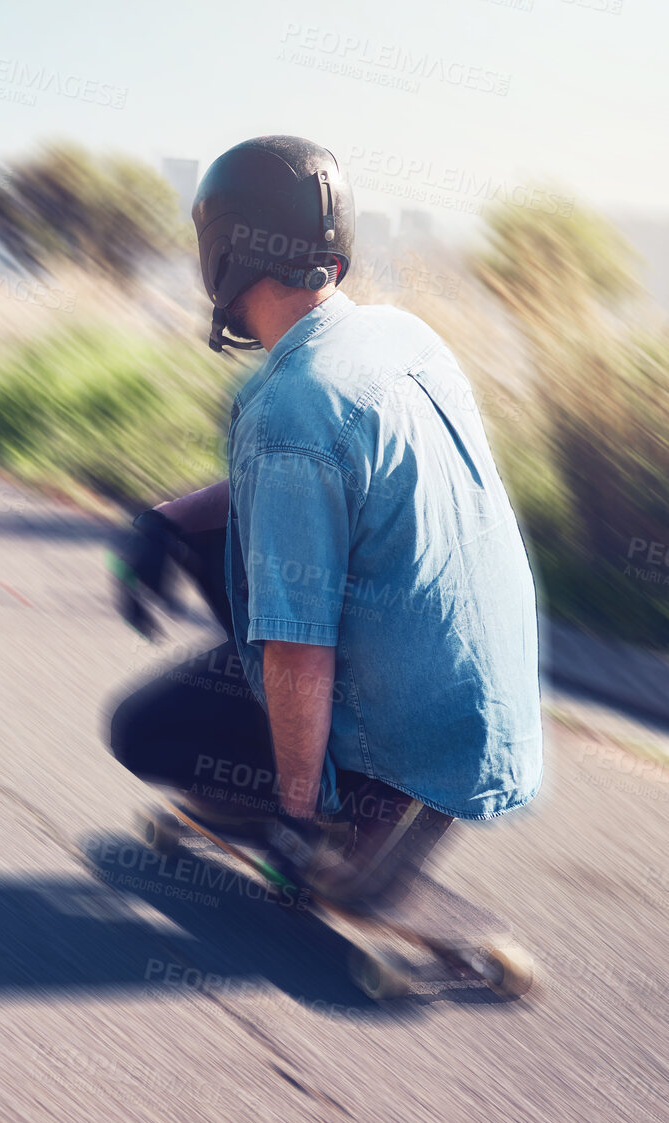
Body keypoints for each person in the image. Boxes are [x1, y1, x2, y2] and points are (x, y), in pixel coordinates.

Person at [108, 135, 542, 912]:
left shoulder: (289, 407)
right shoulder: (403, 336)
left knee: (145, 731)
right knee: (228, 544)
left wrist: (296, 815)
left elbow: (299, 647)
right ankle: (359, 792)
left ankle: (357, 811)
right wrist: (167, 521)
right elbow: (322, 478)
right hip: (483, 701)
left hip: (409, 731)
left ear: (223, 255)